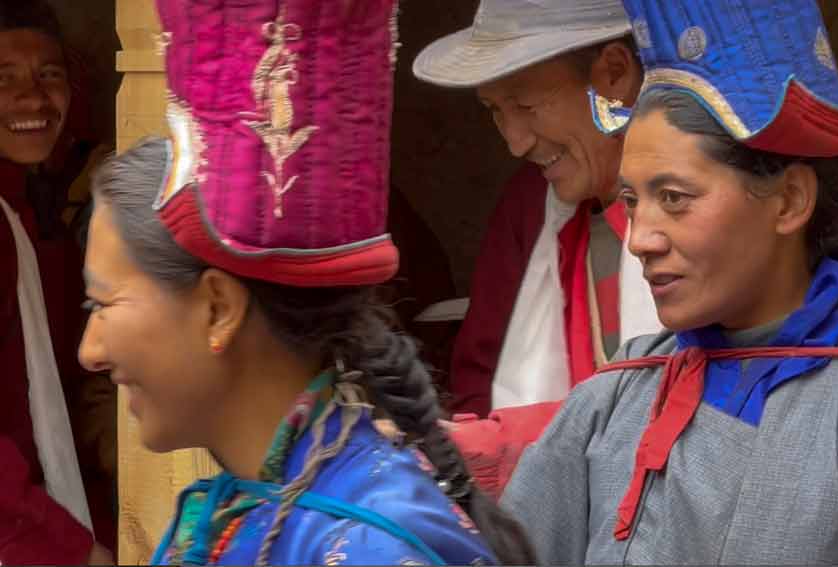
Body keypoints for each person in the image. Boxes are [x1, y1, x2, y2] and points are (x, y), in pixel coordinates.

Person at [502, 0, 838, 564]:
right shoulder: (609, 403)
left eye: (674, 199)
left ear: (789, 200)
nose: (640, 238)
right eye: (633, 200)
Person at [77, 0, 533, 564]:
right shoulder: (229, 513)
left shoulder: (372, 549)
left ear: (219, 307)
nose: (90, 351)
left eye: (102, 303)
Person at [413, 0, 662, 497]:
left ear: (614, 74)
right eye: (495, 111)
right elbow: (480, 373)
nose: (515, 142)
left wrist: (495, 446)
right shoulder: (535, 209)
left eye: (525, 106)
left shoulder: (712, 226)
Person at [0, 1, 114, 563]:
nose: (32, 98)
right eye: (3, 79)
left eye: (48, 75)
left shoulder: (28, 211)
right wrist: (68, 548)